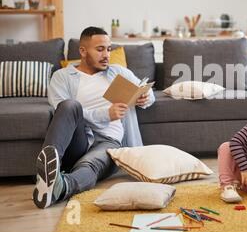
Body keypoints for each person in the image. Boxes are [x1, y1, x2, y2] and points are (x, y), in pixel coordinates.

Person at [32, 27, 155, 209]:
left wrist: (145, 96)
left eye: (108, 49)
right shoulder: (62, 77)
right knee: (70, 105)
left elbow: (146, 90)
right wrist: (106, 114)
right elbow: (62, 112)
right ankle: (49, 168)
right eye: (100, 49)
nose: (106, 55)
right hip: (78, 140)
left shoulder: (118, 72)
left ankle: (60, 186)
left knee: (90, 166)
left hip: (109, 141)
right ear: (82, 51)